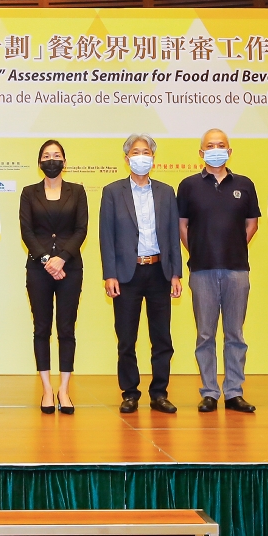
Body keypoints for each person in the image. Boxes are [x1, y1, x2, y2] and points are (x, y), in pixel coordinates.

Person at [177, 128, 261, 413]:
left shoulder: (245, 184)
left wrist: (233, 246)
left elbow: (252, 224)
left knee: (235, 334)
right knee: (205, 335)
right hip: (201, 270)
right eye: (210, 146)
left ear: (229, 151)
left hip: (237, 270)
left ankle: (234, 392)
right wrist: (198, 250)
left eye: (221, 145)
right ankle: (210, 392)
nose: (216, 149)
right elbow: (182, 225)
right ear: (201, 152)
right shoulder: (188, 185)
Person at [100, 134, 183, 414]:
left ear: (153, 157)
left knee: (162, 338)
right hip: (127, 274)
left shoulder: (166, 192)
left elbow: (173, 236)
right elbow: (106, 236)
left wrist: (175, 273)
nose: (141, 156)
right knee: (126, 338)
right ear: (127, 159)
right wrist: (109, 274)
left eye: (146, 152)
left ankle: (159, 393)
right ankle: (130, 393)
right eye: (136, 152)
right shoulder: (112, 192)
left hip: (159, 271)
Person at [20, 140, 87, 414]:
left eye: (56, 155)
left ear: (64, 162)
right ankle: (47, 389)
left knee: (66, 329)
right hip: (39, 268)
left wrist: (62, 258)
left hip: (70, 267)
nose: (52, 160)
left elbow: (81, 229)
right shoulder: (29, 192)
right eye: (46, 156)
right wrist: (47, 259)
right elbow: (27, 231)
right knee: (41, 328)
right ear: (39, 163)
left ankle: (64, 390)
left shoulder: (78, 191)